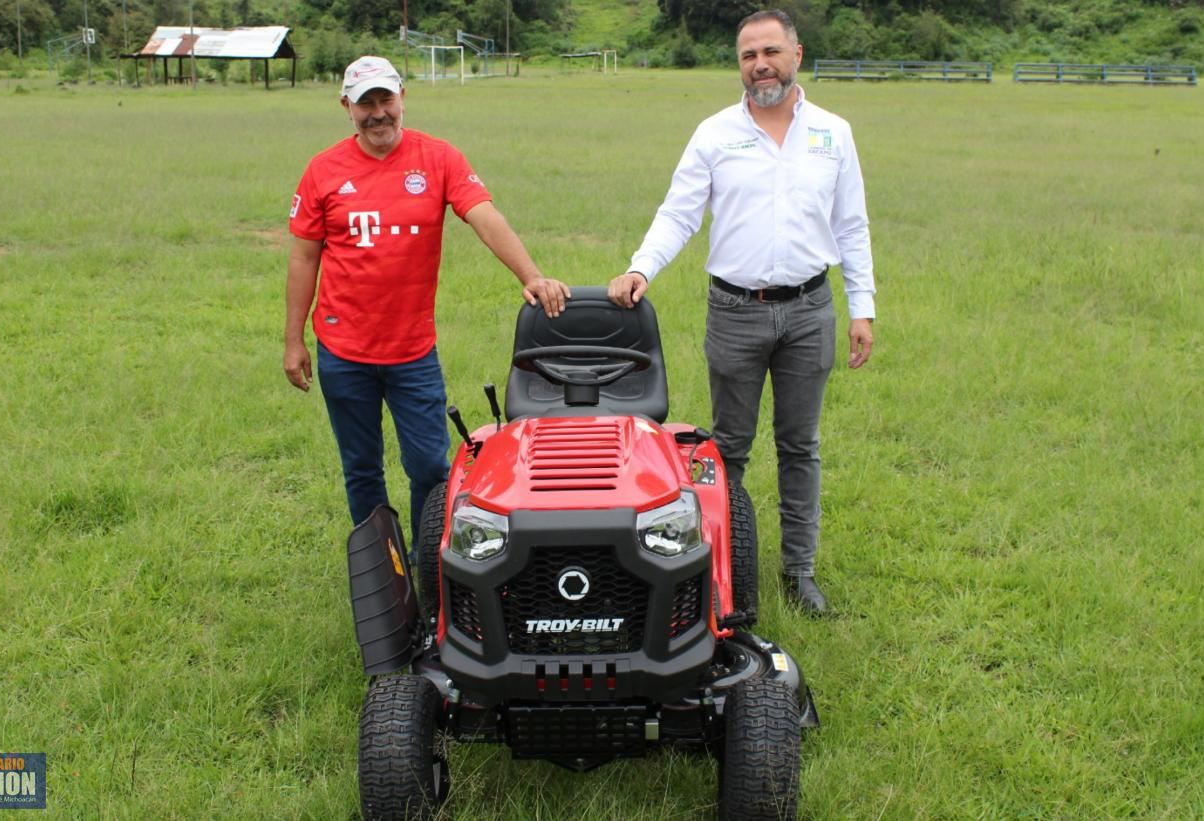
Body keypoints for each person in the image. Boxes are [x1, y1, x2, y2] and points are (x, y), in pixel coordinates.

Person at [608, 10, 876, 614]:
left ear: (797, 54)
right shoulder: (714, 134)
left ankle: (800, 572)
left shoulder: (833, 133)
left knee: (800, 444)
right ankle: (724, 567)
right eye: (749, 54)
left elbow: (851, 225)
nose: (761, 64)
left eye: (771, 52)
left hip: (811, 309)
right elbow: (679, 212)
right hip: (735, 312)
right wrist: (640, 268)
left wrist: (863, 306)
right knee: (728, 448)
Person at [285, 55, 569, 545]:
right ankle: (381, 563)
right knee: (361, 469)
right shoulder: (323, 170)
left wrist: (533, 276)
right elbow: (304, 259)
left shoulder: (437, 158)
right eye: (365, 104)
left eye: (385, 100)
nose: (378, 114)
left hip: (412, 351)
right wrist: (293, 341)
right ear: (346, 107)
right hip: (342, 351)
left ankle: (427, 559)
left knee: (430, 467)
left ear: (402, 98)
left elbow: (483, 215)